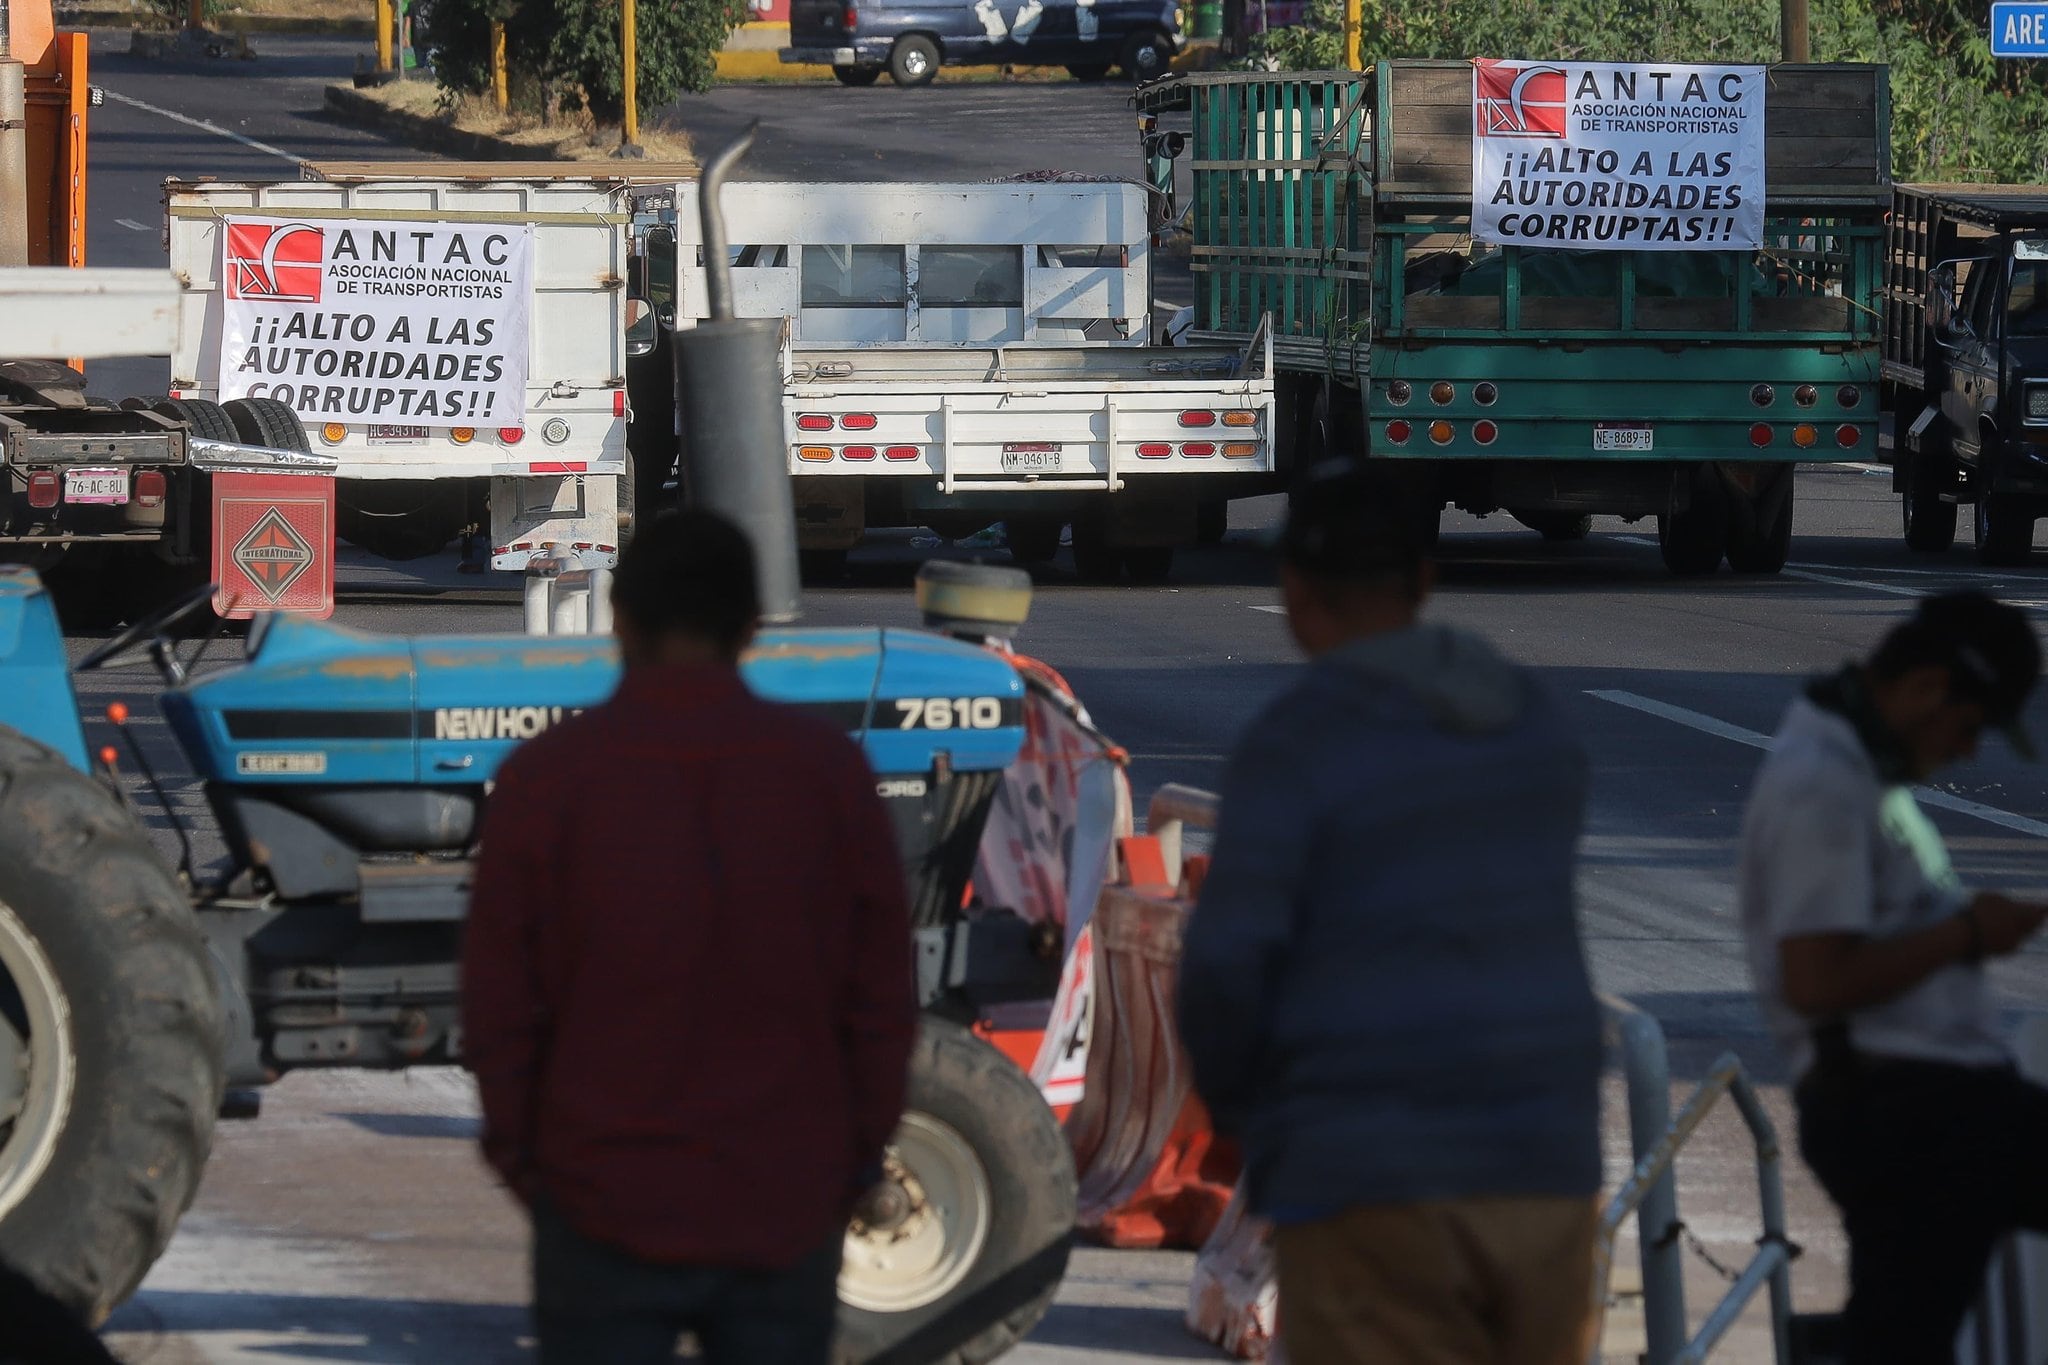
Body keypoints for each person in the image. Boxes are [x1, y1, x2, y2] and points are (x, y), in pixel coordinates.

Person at [462, 508, 917, 1365]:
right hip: (784, 1196)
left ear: (620, 619)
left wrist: (532, 1164)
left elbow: (498, 1005)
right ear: (751, 626)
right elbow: (882, 999)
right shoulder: (828, 776)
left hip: (599, 1196)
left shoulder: (546, 782)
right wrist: (850, 1156)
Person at [1176, 462, 1604, 1365]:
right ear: (1423, 577)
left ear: (1295, 591)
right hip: (1545, 1165)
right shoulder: (1531, 720)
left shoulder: (1297, 739)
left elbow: (1224, 968)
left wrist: (1257, 1120)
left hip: (1365, 1174)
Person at [1739, 591, 2048, 1364]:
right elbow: (1816, 977)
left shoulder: (1854, 772)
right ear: (1926, 688)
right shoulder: (1825, 787)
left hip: (1939, 1102)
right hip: (1905, 1110)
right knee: (1901, 1339)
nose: (1967, 752)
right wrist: (1971, 931)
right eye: (1970, 728)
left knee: (1901, 1336)